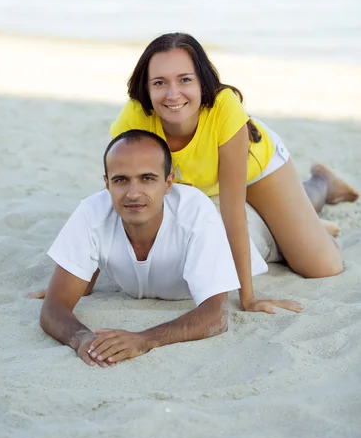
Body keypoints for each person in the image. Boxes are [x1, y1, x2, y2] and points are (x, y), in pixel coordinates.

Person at [110, 33, 359, 315]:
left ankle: (322, 183)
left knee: (323, 267)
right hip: (202, 181)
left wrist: (248, 298)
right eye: (159, 83)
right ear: (146, 87)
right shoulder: (134, 118)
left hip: (257, 166)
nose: (172, 94)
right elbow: (114, 202)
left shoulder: (224, 107)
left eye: (185, 79)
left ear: (202, 82)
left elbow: (233, 213)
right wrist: (79, 279)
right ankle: (292, 221)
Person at [41, 130, 297, 367]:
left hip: (242, 235)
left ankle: (322, 185)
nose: (133, 193)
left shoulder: (194, 212)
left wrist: (145, 340)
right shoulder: (91, 211)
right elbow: (54, 307)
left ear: (168, 183)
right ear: (107, 183)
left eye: (147, 179)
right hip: (208, 225)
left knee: (291, 223)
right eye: (121, 180)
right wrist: (83, 339)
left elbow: (216, 316)